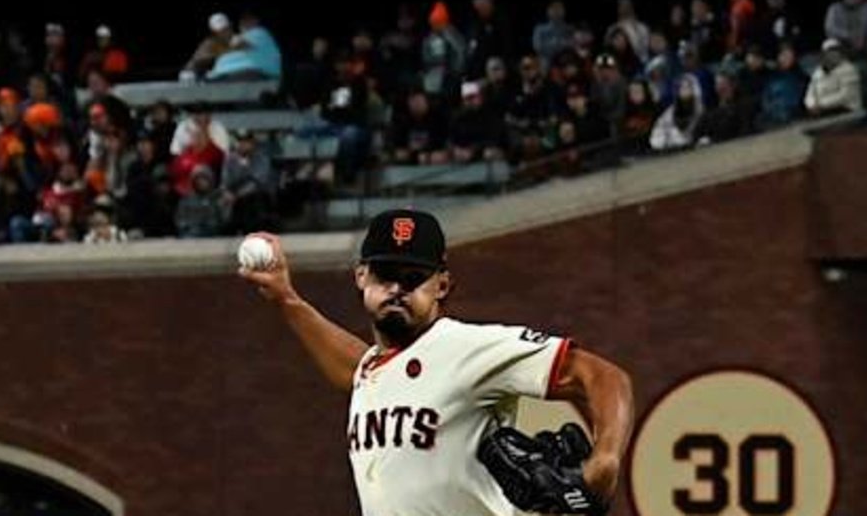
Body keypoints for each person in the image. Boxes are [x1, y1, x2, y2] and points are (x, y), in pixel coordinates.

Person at [237, 206, 633, 513]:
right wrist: (287, 299)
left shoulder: (467, 347)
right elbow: (359, 370)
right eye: (385, 274)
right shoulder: (376, 369)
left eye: (412, 278)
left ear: (442, 284)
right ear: (361, 277)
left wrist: (605, 460)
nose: (396, 288)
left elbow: (602, 376)